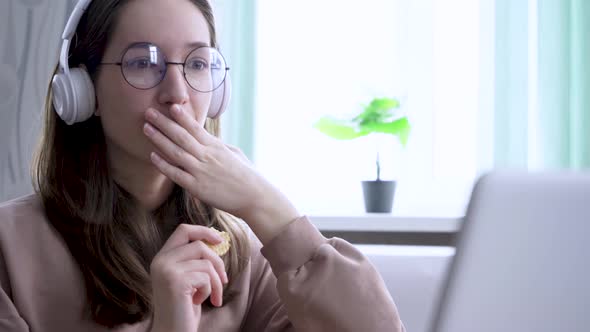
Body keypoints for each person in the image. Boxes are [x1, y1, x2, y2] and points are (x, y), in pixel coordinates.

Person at [0, 0, 405, 331]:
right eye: (143, 63)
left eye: (196, 63)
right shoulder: (10, 249)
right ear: (83, 91)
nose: (176, 94)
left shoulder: (243, 256)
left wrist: (268, 207)